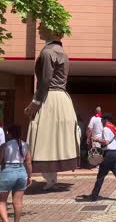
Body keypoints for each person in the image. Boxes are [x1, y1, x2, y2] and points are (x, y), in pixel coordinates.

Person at [25, 23, 80, 191]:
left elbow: (45, 81)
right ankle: (52, 177)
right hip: (62, 99)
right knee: (55, 138)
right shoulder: (62, 53)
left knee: (44, 136)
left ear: (51, 31)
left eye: (42, 27)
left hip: (49, 98)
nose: (39, 29)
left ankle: (49, 177)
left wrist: (35, 103)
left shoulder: (48, 52)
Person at [88, 113, 116, 202]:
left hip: (109, 154)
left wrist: (96, 140)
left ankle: (94, 196)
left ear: (105, 120)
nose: (101, 122)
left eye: (102, 120)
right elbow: (115, 141)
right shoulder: (115, 128)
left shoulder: (106, 129)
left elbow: (106, 142)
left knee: (100, 176)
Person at [0, 125, 32, 222]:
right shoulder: (25, 145)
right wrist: (29, 176)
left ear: (9, 133)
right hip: (21, 171)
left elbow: (0, 160)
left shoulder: (4, 146)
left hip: (7, 171)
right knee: (18, 202)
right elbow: (28, 162)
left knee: (2, 201)